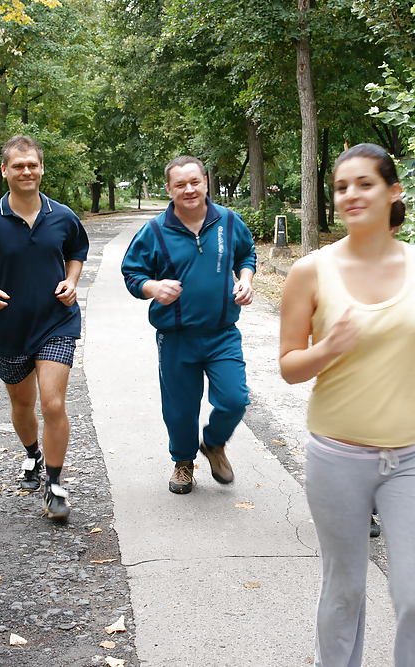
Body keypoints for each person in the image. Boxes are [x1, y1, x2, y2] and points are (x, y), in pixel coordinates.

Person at [278, 143, 415, 666]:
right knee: (344, 592)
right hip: (337, 456)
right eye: (341, 186)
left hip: (410, 456)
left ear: (393, 192)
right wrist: (329, 348)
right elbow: (289, 366)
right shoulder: (310, 271)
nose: (350, 195)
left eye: (364, 184)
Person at [0, 134, 89, 522]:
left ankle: (56, 483)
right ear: (5, 171)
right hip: (11, 326)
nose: (26, 171)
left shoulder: (62, 215)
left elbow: (77, 251)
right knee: (23, 404)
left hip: (56, 322)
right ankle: (33, 454)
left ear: (41, 168)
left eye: (32, 164)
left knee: (53, 402)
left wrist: (72, 280)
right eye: (18, 165)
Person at [121, 155, 257, 494]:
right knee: (180, 409)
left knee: (235, 399)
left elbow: (246, 254)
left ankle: (213, 443)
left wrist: (246, 279)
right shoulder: (154, 231)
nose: (189, 189)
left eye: (195, 181)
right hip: (176, 336)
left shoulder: (228, 221)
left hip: (222, 333)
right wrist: (153, 288)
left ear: (206, 182)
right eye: (180, 184)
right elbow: (132, 273)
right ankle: (183, 463)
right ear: (168, 189)